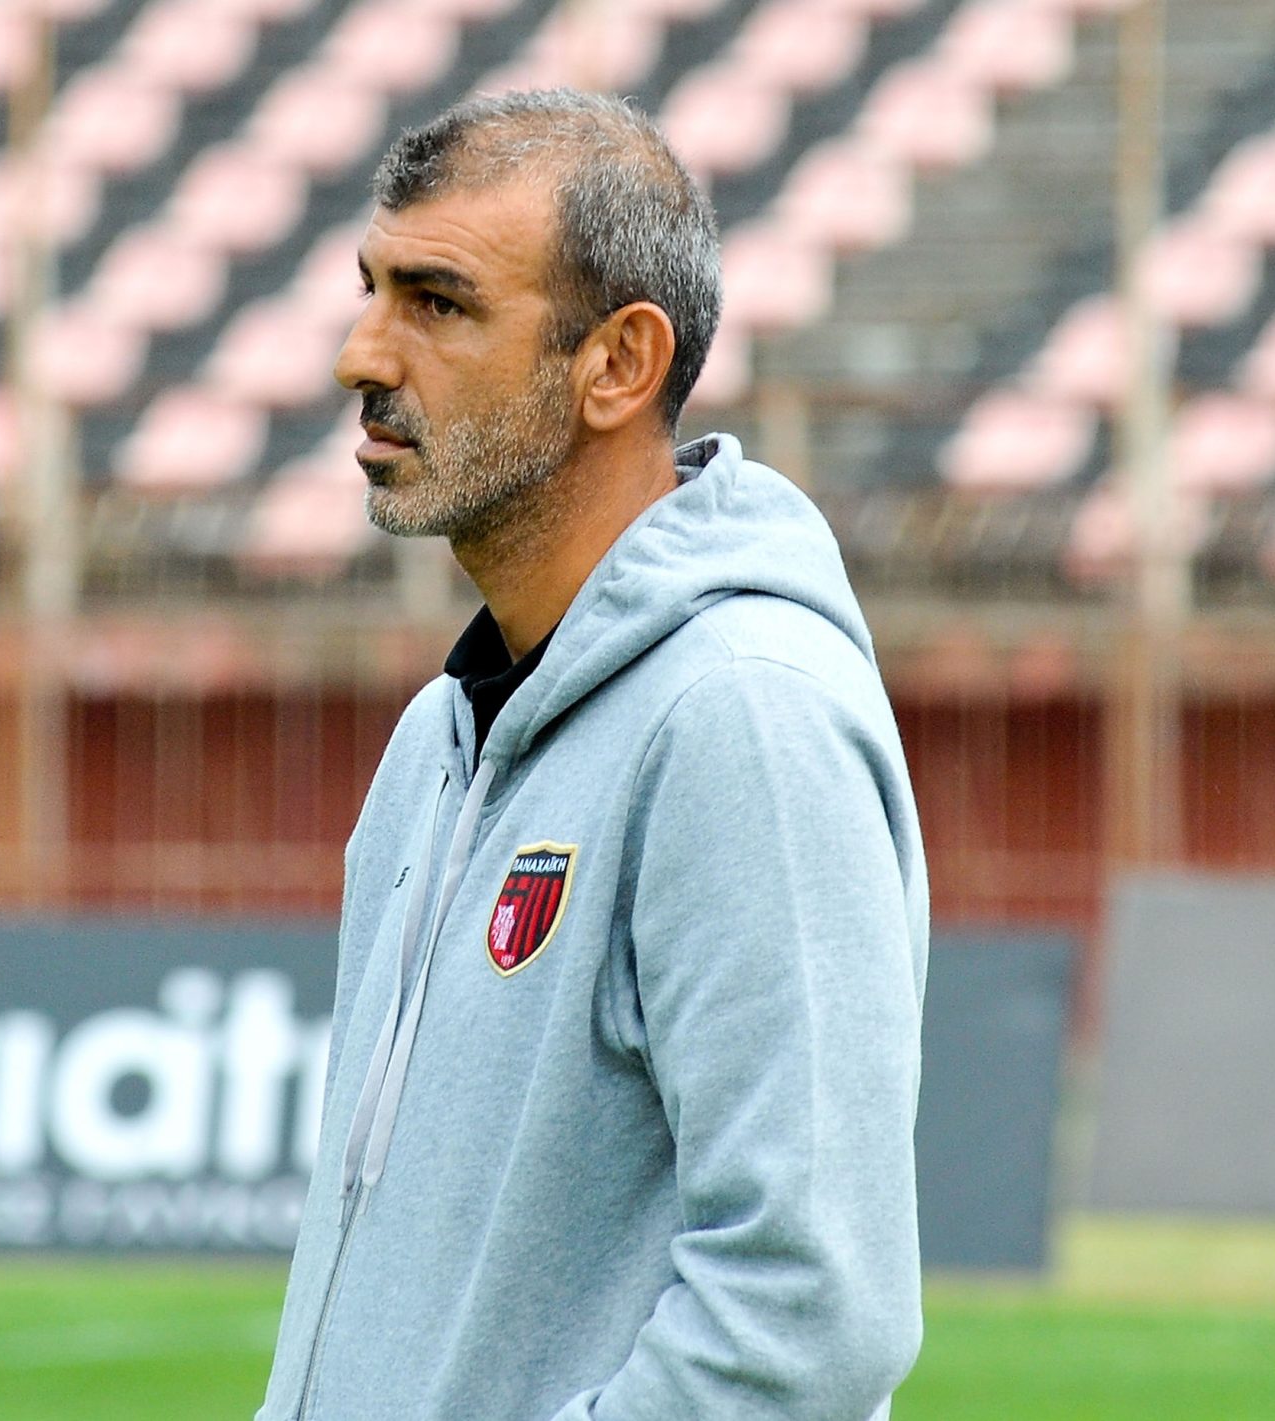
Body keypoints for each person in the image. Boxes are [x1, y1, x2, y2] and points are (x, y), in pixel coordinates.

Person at [255, 90, 930, 1421]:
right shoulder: (442, 733)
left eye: (437, 303)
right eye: (370, 290)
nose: (359, 355)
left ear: (618, 363)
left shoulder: (742, 717)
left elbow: (809, 1317)